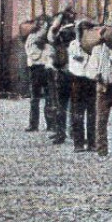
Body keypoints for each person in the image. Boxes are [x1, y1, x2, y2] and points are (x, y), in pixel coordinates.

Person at [67, 20, 98, 152]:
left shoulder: (95, 46)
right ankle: (78, 143)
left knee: (92, 113)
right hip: (77, 80)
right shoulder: (74, 45)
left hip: (90, 80)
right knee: (78, 112)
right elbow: (79, 58)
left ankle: (92, 142)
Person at [47, 8, 76, 145]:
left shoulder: (60, 34)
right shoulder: (78, 32)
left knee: (61, 105)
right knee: (75, 105)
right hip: (75, 72)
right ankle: (75, 133)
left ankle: (61, 133)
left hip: (63, 72)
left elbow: (51, 35)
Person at [23, 16, 53, 133]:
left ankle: (49, 124)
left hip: (44, 68)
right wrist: (43, 51)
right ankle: (34, 124)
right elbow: (32, 53)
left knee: (47, 97)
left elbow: (49, 53)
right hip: (36, 68)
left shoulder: (46, 40)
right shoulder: (31, 38)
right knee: (36, 98)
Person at [90, 27, 112, 157]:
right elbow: (92, 69)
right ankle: (101, 148)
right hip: (103, 88)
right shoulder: (97, 51)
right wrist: (97, 75)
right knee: (101, 120)